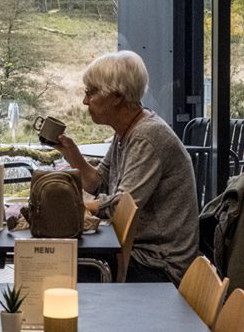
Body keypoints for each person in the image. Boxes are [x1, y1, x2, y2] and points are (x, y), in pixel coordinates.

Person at [41, 49, 199, 284]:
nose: (85, 101)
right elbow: (99, 183)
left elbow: (121, 206)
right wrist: (72, 154)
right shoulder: (127, 131)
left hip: (158, 264)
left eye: (91, 92)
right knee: (59, 262)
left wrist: (72, 206)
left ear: (117, 96)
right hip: (133, 250)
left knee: (59, 268)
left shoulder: (147, 136)